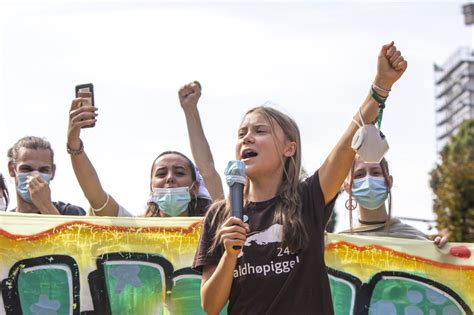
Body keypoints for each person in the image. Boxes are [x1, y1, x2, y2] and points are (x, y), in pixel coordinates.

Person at [192, 41, 408, 314]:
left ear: (289, 148)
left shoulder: (309, 198)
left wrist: (380, 87)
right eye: (241, 133)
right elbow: (210, 306)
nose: (247, 137)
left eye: (260, 130)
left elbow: (345, 144)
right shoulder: (219, 216)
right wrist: (229, 255)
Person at [66, 90, 213, 217]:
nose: (169, 178)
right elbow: (95, 196)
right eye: (161, 174)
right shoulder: (137, 230)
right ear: (152, 188)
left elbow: (209, 172)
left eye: (179, 173)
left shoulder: (210, 230)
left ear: (194, 187)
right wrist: (73, 142)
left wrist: (190, 110)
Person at [340, 156, 448, 248]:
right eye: (359, 175)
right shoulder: (340, 245)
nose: (369, 179)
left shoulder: (416, 239)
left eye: (376, 173)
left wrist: (442, 254)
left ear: (389, 182)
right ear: (347, 187)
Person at [7, 136, 86, 215]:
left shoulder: (72, 213)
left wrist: (46, 207)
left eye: (43, 170)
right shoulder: (5, 222)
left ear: (53, 171)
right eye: (26, 169)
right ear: (11, 169)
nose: (35, 176)